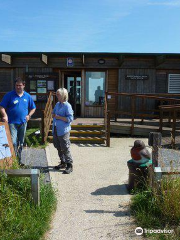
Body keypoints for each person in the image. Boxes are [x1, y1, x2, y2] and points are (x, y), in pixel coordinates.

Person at [0, 77, 36, 165]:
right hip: (12, 123)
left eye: (20, 85)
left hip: (23, 123)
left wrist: (29, 115)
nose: (18, 87)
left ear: (23, 85)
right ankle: (12, 161)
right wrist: (5, 115)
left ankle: (19, 161)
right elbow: (1, 107)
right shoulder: (9, 95)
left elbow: (33, 108)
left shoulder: (27, 96)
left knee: (21, 142)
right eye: (16, 85)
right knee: (13, 142)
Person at [52, 88, 74, 174]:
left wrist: (59, 117)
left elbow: (70, 118)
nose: (57, 96)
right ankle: (63, 162)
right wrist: (53, 115)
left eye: (58, 94)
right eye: (56, 94)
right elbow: (53, 113)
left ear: (63, 95)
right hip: (56, 128)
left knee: (65, 147)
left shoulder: (67, 106)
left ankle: (69, 165)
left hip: (64, 130)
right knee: (58, 146)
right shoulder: (57, 104)